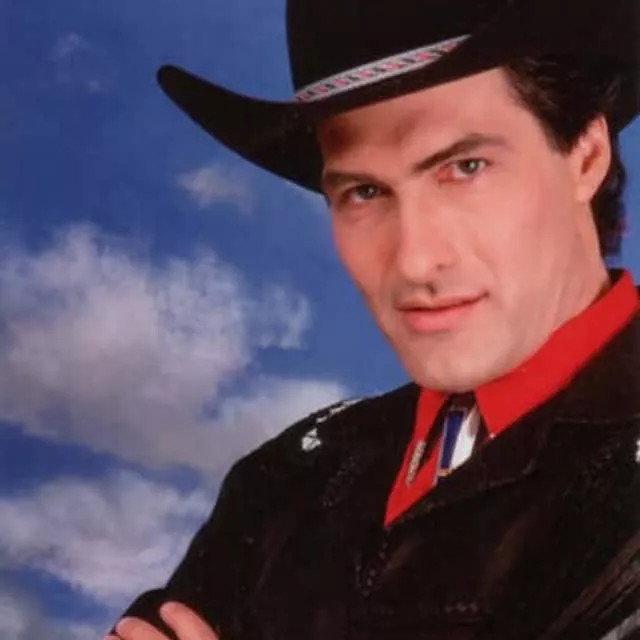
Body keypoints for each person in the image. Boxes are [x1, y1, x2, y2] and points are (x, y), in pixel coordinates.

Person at [107, 0, 640, 638]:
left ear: (585, 155)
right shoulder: (290, 476)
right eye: (364, 192)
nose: (413, 260)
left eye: (465, 168)